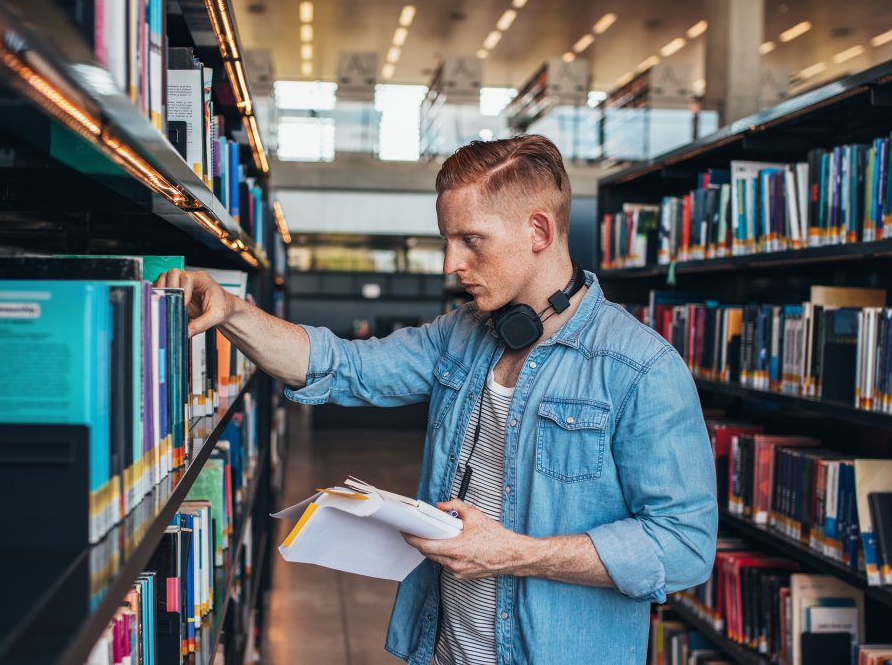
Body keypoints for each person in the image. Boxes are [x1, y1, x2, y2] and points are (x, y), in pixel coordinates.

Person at [156, 135, 717, 664]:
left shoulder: (641, 369)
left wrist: (511, 551)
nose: (451, 262)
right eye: (447, 240)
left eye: (471, 240)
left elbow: (684, 546)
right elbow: (344, 367)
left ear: (539, 232)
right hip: (442, 646)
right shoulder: (463, 333)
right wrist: (232, 312)